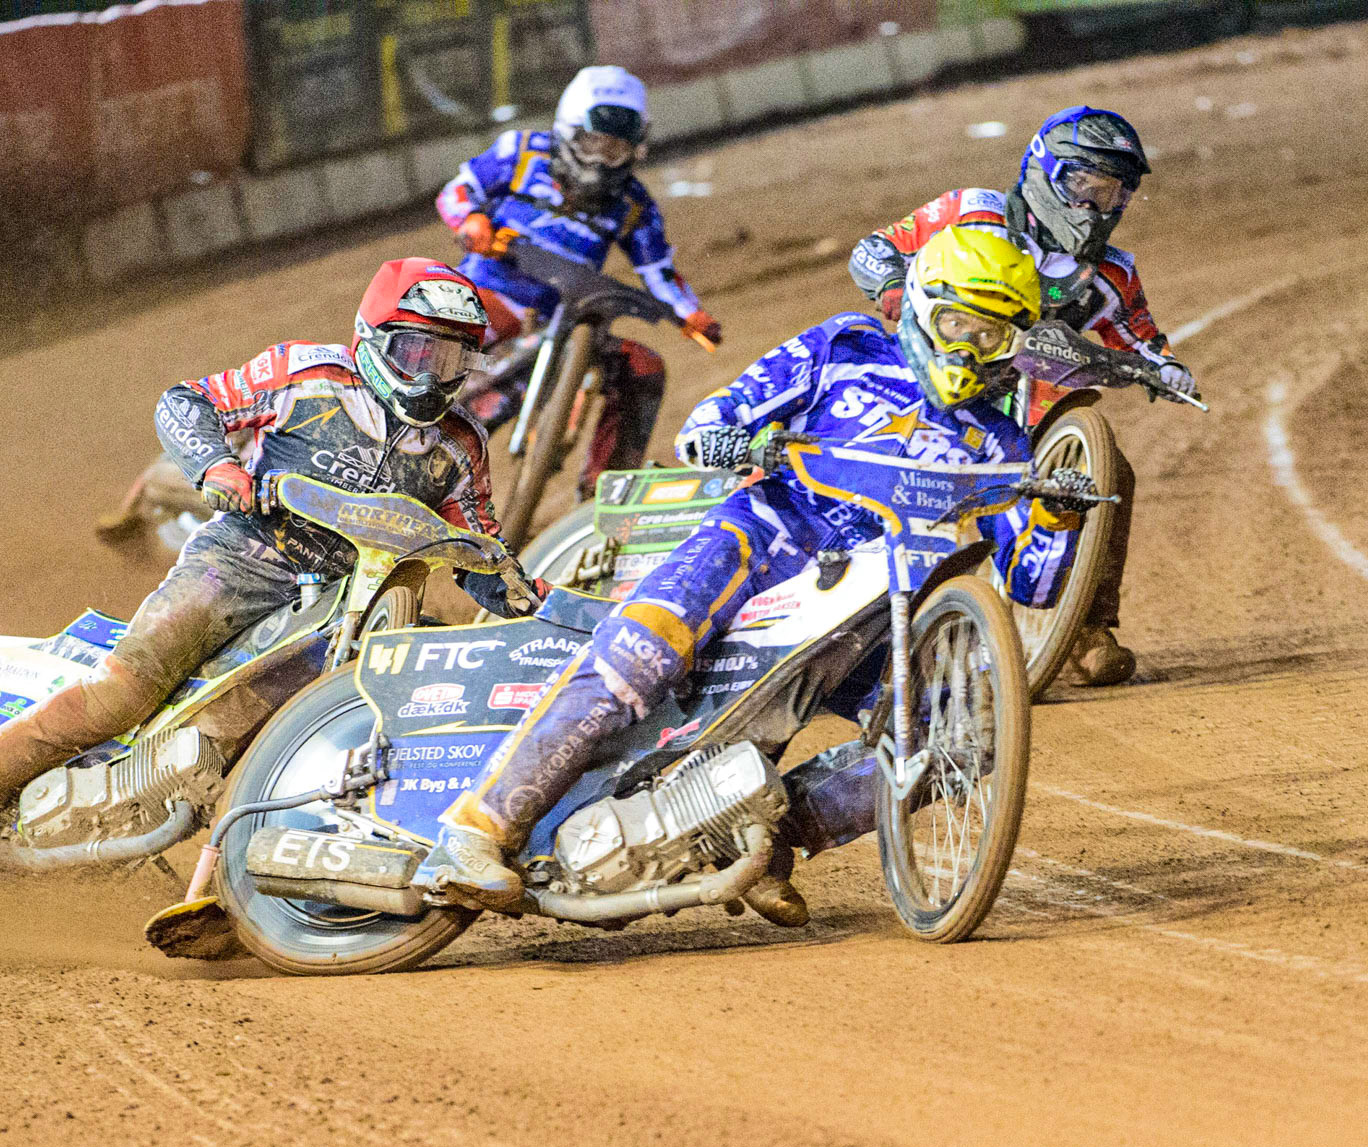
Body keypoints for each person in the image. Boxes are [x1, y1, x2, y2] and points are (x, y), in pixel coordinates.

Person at [417, 227, 1087, 913]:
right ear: (921, 304)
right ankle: (476, 830)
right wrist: (735, 439)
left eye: (993, 335)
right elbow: (710, 422)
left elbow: (1033, 584)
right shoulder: (845, 348)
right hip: (762, 542)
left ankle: (763, 840)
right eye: (959, 324)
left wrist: (1059, 516)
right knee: (637, 657)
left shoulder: (1004, 445)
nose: (970, 348)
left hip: (874, 617)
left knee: (969, 733)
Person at [0, 258, 542, 846]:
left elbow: (478, 545)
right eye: (417, 352)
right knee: (124, 694)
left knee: (253, 741)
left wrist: (533, 603)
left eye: (452, 359)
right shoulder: (308, 373)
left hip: (348, 609)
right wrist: (216, 468)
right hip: (239, 562)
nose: (432, 375)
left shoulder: (461, 445)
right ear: (372, 339)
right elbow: (187, 401)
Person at [848, 105, 1197, 686]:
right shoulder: (971, 211)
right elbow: (874, 249)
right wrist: (889, 286)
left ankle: (1087, 626)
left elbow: (1139, 336)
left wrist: (1167, 367)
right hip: (928, 364)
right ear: (1043, 170)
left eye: (1110, 194)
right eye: (1082, 185)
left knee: (1113, 476)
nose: (1093, 206)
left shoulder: (1111, 273)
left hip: (1014, 393)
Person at [436, 65, 722, 500]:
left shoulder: (632, 204)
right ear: (567, 131)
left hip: (565, 318)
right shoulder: (521, 152)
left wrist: (689, 312)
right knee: (433, 349)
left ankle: (604, 498)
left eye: (616, 150)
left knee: (643, 367)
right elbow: (458, 190)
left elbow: (658, 270)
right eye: (593, 145)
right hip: (490, 290)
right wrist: (471, 220)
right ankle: (393, 436)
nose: (602, 161)